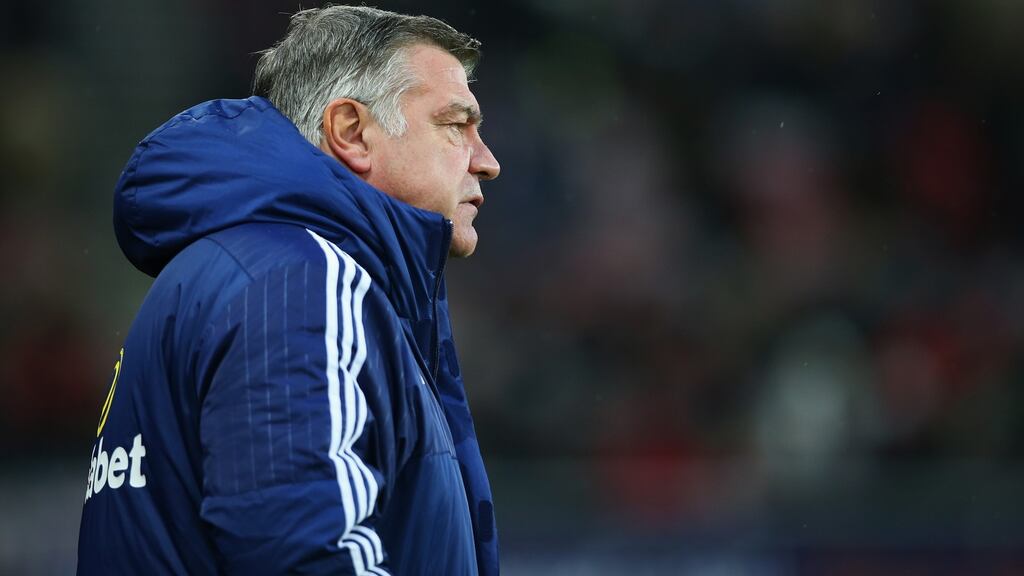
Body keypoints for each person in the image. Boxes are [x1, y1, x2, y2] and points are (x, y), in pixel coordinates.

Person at [77, 6, 501, 575]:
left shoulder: (239, 270)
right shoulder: (299, 278)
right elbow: (306, 553)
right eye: (455, 124)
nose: (487, 161)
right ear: (352, 131)